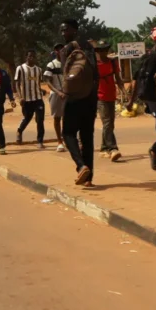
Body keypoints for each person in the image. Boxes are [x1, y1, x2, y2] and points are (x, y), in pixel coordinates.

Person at [60, 18, 98, 186]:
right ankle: (89, 179)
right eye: (62, 30)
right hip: (90, 98)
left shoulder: (67, 49)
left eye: (66, 30)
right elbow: (96, 73)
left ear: (74, 30)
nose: (63, 34)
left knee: (68, 133)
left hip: (74, 98)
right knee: (87, 137)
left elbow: (66, 77)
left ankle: (81, 166)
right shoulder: (89, 47)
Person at [128, 26, 156, 170]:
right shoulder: (148, 58)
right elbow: (137, 80)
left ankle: (154, 150)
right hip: (153, 99)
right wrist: (131, 101)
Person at [95, 41, 126, 162]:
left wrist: (123, 90)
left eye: (105, 50)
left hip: (111, 95)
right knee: (107, 122)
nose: (103, 52)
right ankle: (113, 148)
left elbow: (118, 78)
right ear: (97, 51)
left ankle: (103, 149)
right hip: (100, 96)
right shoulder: (95, 64)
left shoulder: (113, 62)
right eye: (100, 50)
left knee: (110, 124)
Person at [14, 49, 46, 149]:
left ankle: (40, 141)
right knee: (27, 118)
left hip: (38, 98)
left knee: (40, 120)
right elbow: (17, 83)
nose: (31, 58)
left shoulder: (39, 70)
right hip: (26, 99)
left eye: (33, 56)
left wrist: (42, 90)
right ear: (26, 57)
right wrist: (20, 97)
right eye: (29, 56)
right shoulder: (20, 68)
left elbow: (37, 83)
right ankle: (19, 131)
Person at [43, 44, 67, 152]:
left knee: (68, 118)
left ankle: (68, 139)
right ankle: (59, 142)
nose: (60, 51)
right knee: (57, 118)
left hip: (67, 94)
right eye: (58, 49)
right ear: (55, 51)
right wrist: (58, 92)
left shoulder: (67, 63)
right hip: (56, 94)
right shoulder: (51, 65)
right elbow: (47, 81)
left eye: (62, 49)